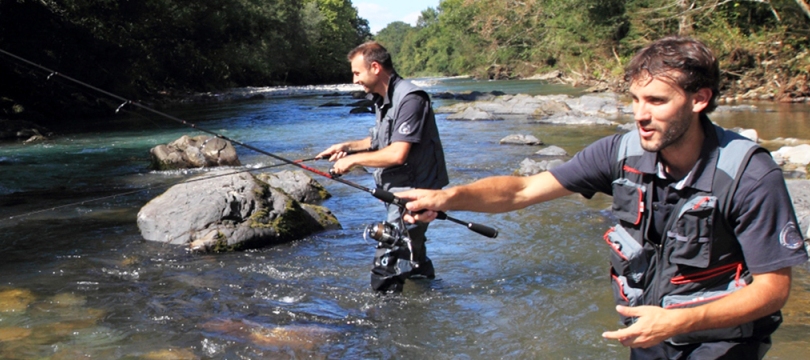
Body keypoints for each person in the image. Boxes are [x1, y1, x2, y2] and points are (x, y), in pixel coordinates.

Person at [397, 36, 808, 358]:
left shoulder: (750, 175)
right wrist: (448, 197)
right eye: (634, 99)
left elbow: (773, 289)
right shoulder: (621, 152)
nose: (640, 115)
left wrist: (678, 321)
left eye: (657, 101)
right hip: (649, 332)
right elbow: (524, 189)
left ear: (700, 99)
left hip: (721, 344)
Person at [317, 41, 449, 292]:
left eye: (357, 72)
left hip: (415, 191)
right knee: (413, 251)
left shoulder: (411, 99)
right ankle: (424, 302)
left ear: (375, 67)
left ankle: (381, 321)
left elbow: (398, 153)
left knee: (387, 258)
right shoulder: (382, 98)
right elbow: (379, 141)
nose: (354, 79)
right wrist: (347, 146)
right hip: (399, 188)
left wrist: (352, 161)